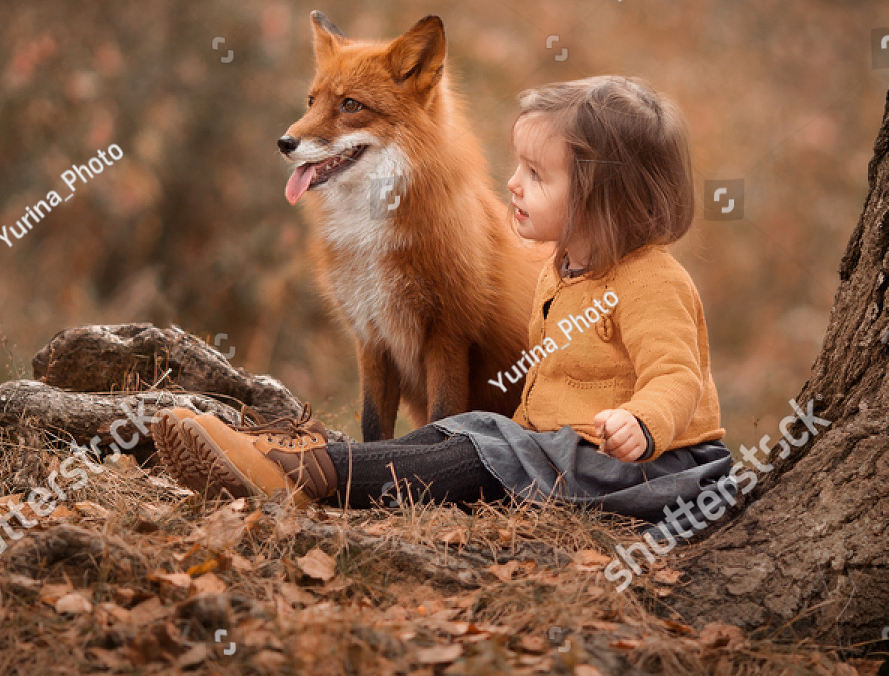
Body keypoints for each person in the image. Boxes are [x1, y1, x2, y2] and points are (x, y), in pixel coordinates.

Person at [152, 75, 736, 528]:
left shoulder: (651, 281)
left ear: (602, 201)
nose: (511, 183)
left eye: (535, 174)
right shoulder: (566, 272)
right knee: (467, 432)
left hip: (642, 470)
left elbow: (677, 375)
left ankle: (305, 476)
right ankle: (298, 458)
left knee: (478, 451)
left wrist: (642, 422)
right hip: (567, 454)